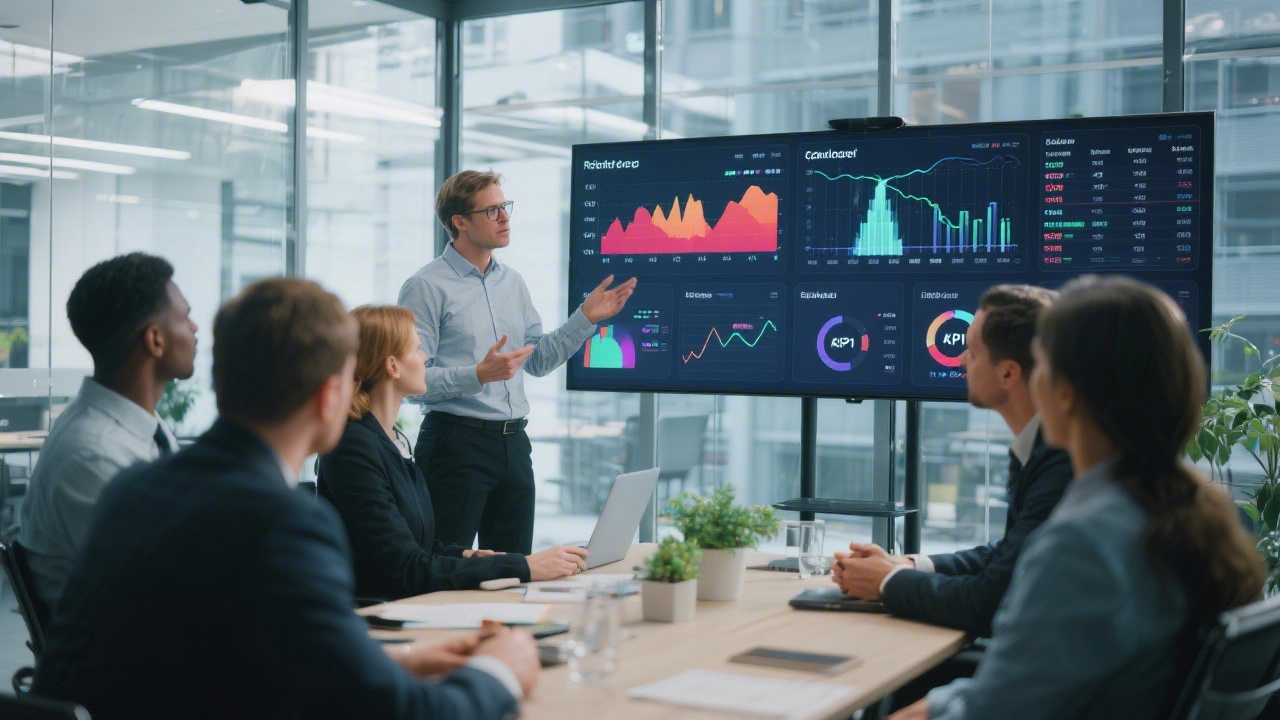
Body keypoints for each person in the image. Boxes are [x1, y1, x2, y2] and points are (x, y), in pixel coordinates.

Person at [34, 279, 539, 720]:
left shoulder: (133, 489)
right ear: (329, 395)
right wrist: (499, 672)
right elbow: (403, 714)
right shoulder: (283, 522)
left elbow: (216, 654)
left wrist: (394, 663)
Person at [890, 275, 1267, 720]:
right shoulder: (1198, 513)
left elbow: (995, 711)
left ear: (1065, 392)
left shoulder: (1084, 542)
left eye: (1042, 365)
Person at [399, 170, 636, 554]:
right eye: (492, 210)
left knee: (516, 568)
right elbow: (411, 381)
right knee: (444, 564)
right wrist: (477, 375)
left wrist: (585, 318)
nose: (505, 218)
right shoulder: (425, 287)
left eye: (505, 206)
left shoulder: (513, 282)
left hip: (514, 446)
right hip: (454, 444)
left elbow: (538, 360)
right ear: (460, 222)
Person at [832, 285, 1072, 637]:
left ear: (1008, 374)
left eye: (972, 351)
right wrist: (908, 564)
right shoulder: (1040, 448)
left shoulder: (1061, 462)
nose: (960, 359)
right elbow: (1007, 557)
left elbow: (989, 601)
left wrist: (888, 581)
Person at [317, 305, 590, 600]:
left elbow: (420, 545)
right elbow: (407, 568)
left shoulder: (392, 440)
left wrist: (468, 555)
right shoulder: (353, 447)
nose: (425, 358)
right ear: (393, 366)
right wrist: (523, 566)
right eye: (417, 350)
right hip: (380, 612)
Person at [19, 252, 196, 607]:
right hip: (131, 637)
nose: (194, 329)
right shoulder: (93, 456)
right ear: (155, 340)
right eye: (185, 317)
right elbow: (167, 586)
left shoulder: (138, 427)